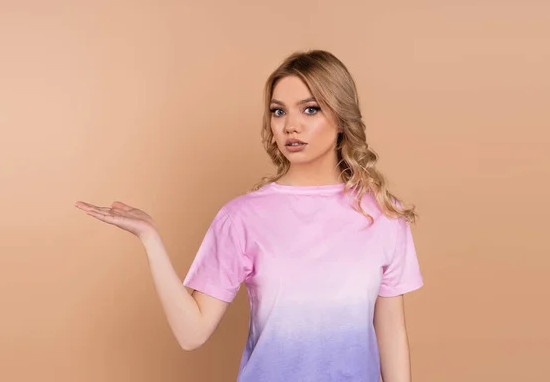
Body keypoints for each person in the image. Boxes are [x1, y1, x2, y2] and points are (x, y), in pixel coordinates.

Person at [75, 49, 424, 382]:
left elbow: (391, 329)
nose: (290, 126)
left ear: (342, 119)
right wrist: (150, 238)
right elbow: (191, 334)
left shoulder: (382, 215)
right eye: (278, 111)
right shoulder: (242, 218)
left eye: (310, 109)